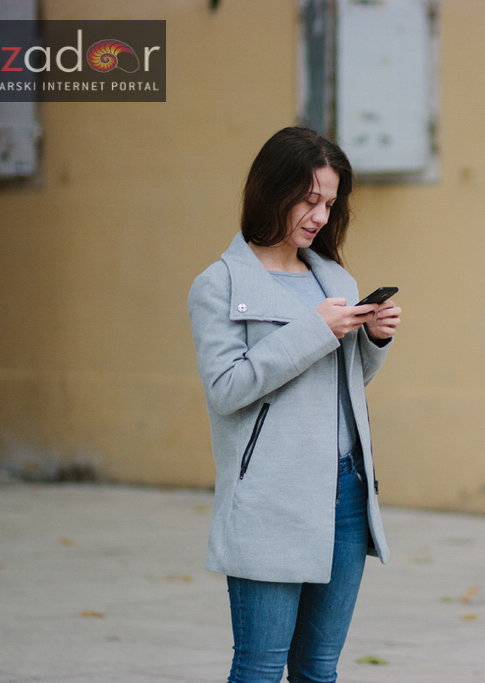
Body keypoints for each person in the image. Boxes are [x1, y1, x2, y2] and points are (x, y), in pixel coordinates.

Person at [188, 126, 401, 681]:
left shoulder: (333, 277)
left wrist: (372, 339)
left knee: (319, 670)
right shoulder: (219, 284)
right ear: (272, 190)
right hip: (271, 497)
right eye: (309, 200)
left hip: (347, 491)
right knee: (259, 668)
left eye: (329, 203)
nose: (319, 216)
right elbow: (227, 390)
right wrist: (315, 329)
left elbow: (341, 385)